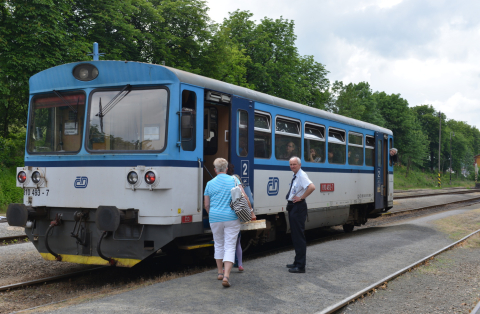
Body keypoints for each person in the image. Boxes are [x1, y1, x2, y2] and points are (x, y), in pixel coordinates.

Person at [204, 158, 255, 287]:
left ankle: (219, 273)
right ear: (226, 169)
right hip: (231, 218)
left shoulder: (209, 183)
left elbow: (206, 205)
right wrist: (251, 212)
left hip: (215, 218)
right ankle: (226, 276)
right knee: (230, 246)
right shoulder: (234, 180)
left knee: (218, 244)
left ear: (215, 170)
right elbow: (244, 196)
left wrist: (213, 215)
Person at [285, 156, 316, 273]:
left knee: (299, 237)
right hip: (293, 207)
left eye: (294, 164)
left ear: (299, 165)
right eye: (291, 164)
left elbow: (312, 187)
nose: (292, 166)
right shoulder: (296, 175)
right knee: (295, 236)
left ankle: (300, 266)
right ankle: (296, 262)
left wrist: (301, 198)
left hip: (298, 207)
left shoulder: (302, 175)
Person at [226, 163, 255, 272]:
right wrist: (251, 212)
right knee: (237, 242)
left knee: (227, 243)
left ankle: (227, 265)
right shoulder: (236, 178)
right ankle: (240, 264)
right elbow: (245, 196)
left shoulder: (219, 180)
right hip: (236, 214)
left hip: (225, 215)